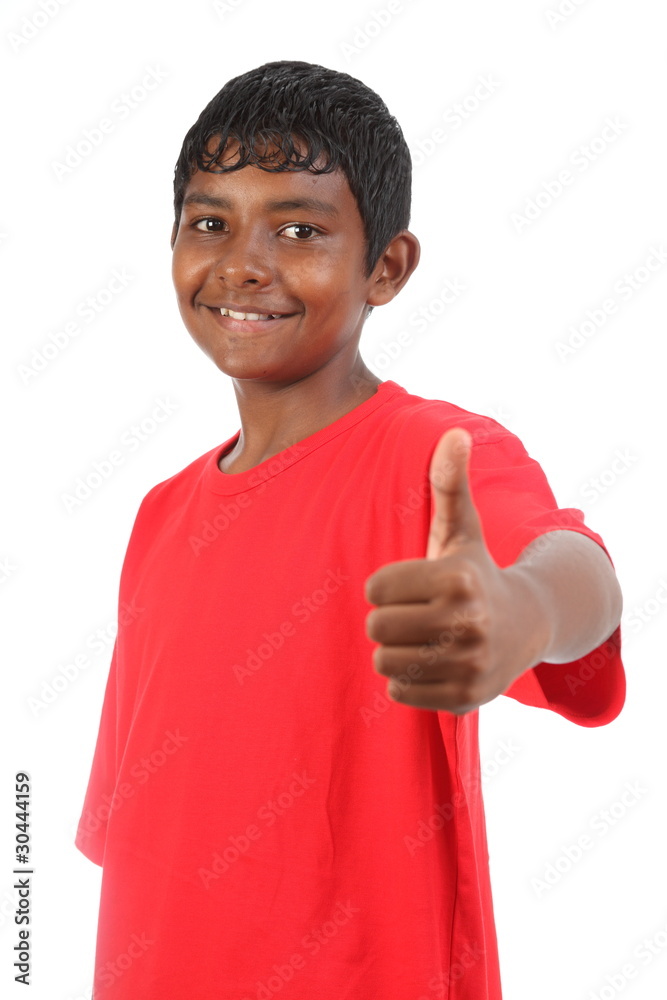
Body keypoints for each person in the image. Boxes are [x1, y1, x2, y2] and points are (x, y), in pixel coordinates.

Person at [75, 60, 625, 999]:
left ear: (387, 267)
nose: (243, 263)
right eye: (210, 223)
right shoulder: (160, 514)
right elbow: (140, 842)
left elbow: (580, 573)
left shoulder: (430, 456)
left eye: (299, 230)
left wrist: (523, 609)